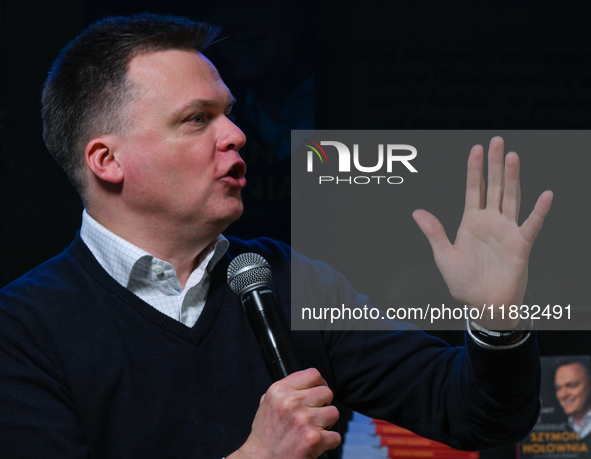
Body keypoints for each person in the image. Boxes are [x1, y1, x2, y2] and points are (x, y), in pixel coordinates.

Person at [0, 13, 553, 459]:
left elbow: (478, 413)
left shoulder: (292, 279)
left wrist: (498, 319)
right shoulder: (23, 327)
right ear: (106, 160)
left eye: (230, 115)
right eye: (197, 119)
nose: (237, 135)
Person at [555, 360, 591, 439]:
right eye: (559, 388)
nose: (563, 394)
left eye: (572, 385)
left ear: (589, 385)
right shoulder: (553, 431)